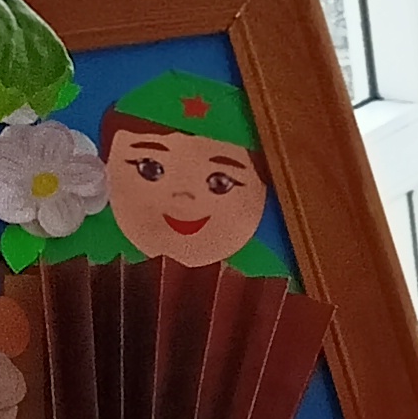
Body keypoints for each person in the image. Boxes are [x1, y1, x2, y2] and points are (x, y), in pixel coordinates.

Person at [94, 71, 292, 275]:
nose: (183, 194)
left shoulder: (265, 273)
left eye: (220, 182)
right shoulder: (86, 248)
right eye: (150, 169)